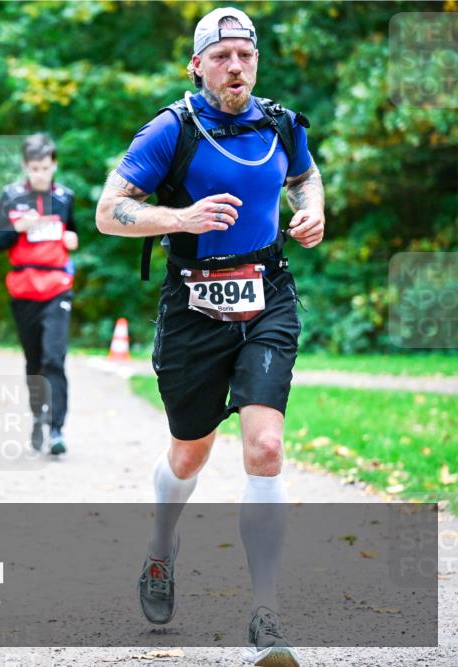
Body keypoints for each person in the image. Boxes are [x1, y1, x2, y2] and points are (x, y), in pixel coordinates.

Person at [95, 8, 324, 667]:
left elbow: (305, 174)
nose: (235, 67)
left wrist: (312, 210)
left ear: (257, 62)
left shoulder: (280, 123)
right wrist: (181, 215)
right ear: (197, 65)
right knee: (190, 455)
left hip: (267, 296)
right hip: (193, 306)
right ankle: (161, 549)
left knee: (267, 444)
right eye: (221, 55)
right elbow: (111, 211)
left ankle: (266, 614)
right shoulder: (171, 130)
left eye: (244, 56)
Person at [0, 134, 79, 456]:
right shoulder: (10, 197)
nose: (40, 173)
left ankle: (55, 429)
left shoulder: (66, 198)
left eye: (45, 167)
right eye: (34, 168)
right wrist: (16, 230)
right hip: (24, 290)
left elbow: (73, 232)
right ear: (26, 167)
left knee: (55, 357)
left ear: (54, 165)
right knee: (35, 362)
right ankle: (38, 415)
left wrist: (71, 240)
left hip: (58, 288)